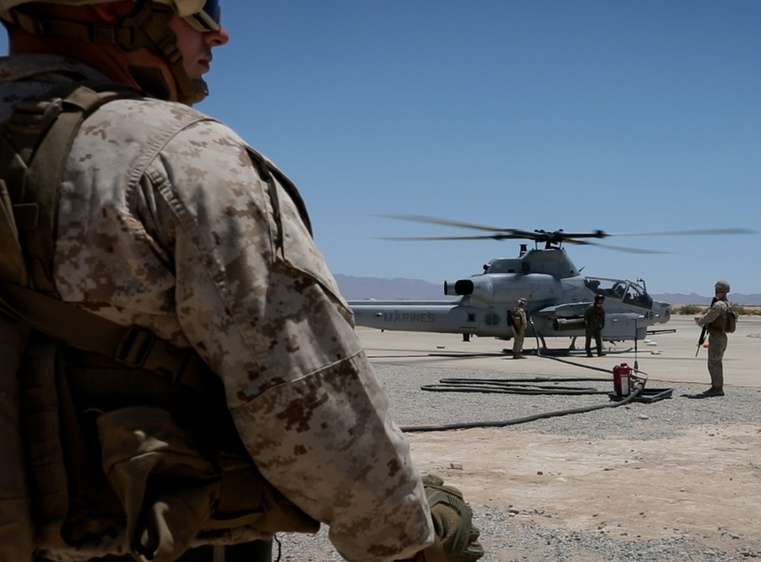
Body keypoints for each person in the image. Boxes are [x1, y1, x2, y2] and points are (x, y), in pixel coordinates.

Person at [0, 2, 481, 562]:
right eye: (199, 9)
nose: (220, 34)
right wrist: (406, 536)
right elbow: (310, 404)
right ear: (112, 5)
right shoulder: (179, 157)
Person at [694, 280, 733, 397]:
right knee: (715, 362)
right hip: (720, 336)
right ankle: (716, 387)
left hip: (717, 337)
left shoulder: (719, 305)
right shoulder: (726, 304)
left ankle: (717, 388)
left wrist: (699, 320)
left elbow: (709, 317)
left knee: (714, 363)